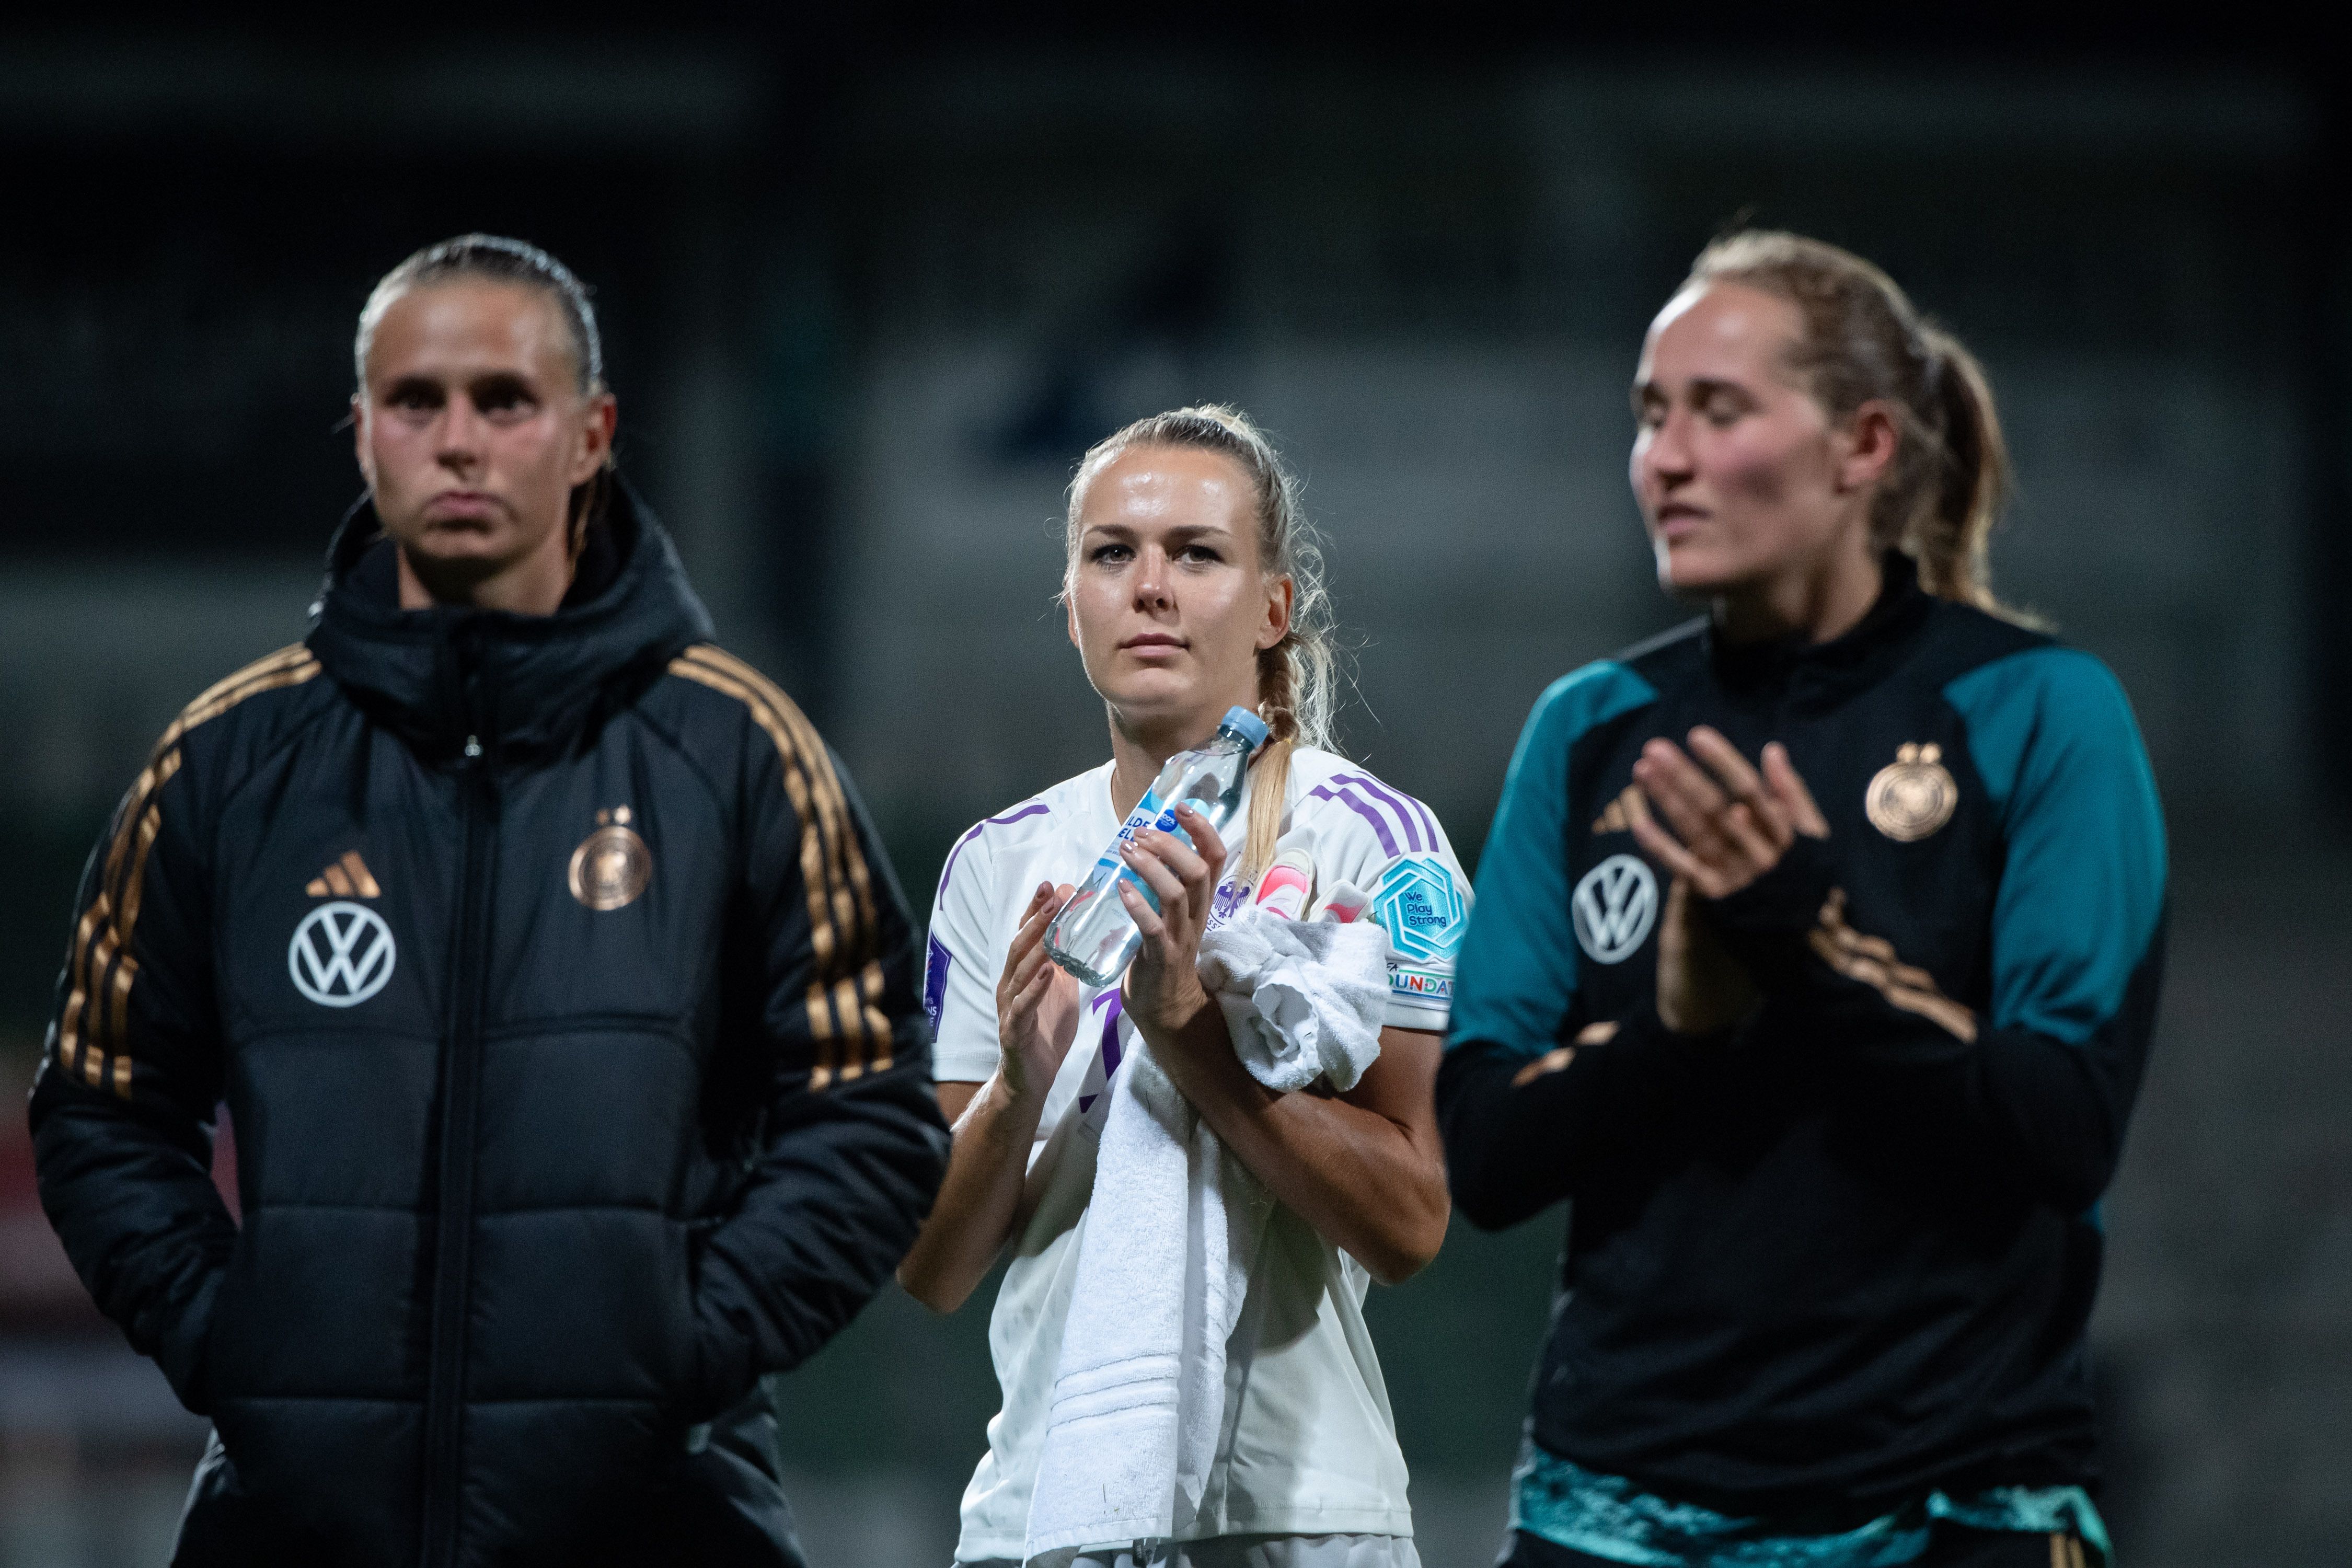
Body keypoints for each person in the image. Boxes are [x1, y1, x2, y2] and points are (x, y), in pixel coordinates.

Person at [28, 234, 949, 1566]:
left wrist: (682, 1347)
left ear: (592, 436)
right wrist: (239, 1345)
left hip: (659, 1526)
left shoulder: (742, 755)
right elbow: (104, 1104)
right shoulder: (226, 764)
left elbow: (870, 1108)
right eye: (416, 403)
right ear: (361, 435)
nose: (458, 442)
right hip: (295, 1529)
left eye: (504, 402)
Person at [1438, 232, 2165, 1568]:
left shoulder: (2044, 715)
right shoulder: (1592, 729)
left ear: (1864, 446)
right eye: (1651, 416)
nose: (1666, 457)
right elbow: (1481, 1154)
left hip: (1952, 1507)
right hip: (1615, 1510)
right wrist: (1682, 1029)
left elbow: (2062, 1130)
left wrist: (1800, 937)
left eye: (1719, 411)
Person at [899, 406, 1467, 1568]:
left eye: (1196, 553)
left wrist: (1189, 1036)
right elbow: (935, 1270)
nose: (1149, 586)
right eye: (1113, 553)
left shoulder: (1376, 844)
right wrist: (1017, 1085)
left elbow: (1411, 1222)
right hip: (1040, 1511)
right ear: (1072, 604)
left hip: (1300, 1513)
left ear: (1273, 607)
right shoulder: (997, 863)